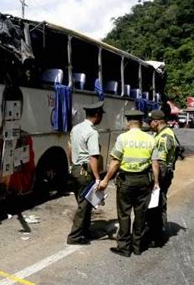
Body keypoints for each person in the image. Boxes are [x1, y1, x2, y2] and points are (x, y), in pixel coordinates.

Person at [98, 110, 159, 257]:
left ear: (128, 122)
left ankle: (124, 248)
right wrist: (156, 182)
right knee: (140, 214)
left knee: (124, 214)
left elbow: (116, 162)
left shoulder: (123, 138)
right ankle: (137, 247)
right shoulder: (151, 138)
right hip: (144, 181)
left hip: (126, 181)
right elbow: (155, 163)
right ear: (140, 122)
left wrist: (106, 179)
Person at [66, 101, 105, 245]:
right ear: (96, 115)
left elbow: (69, 147)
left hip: (76, 169)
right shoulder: (92, 132)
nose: (101, 118)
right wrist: (97, 178)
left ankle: (86, 231)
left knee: (86, 203)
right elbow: (93, 156)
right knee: (84, 205)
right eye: (100, 115)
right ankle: (74, 237)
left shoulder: (76, 128)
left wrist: (71, 164)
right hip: (86, 171)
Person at [146, 110, 177, 247]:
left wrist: (155, 181)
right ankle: (156, 233)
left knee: (157, 204)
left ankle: (157, 236)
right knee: (157, 204)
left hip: (162, 175)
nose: (149, 124)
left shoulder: (164, 136)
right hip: (163, 174)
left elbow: (161, 163)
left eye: (150, 121)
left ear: (156, 122)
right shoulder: (162, 133)